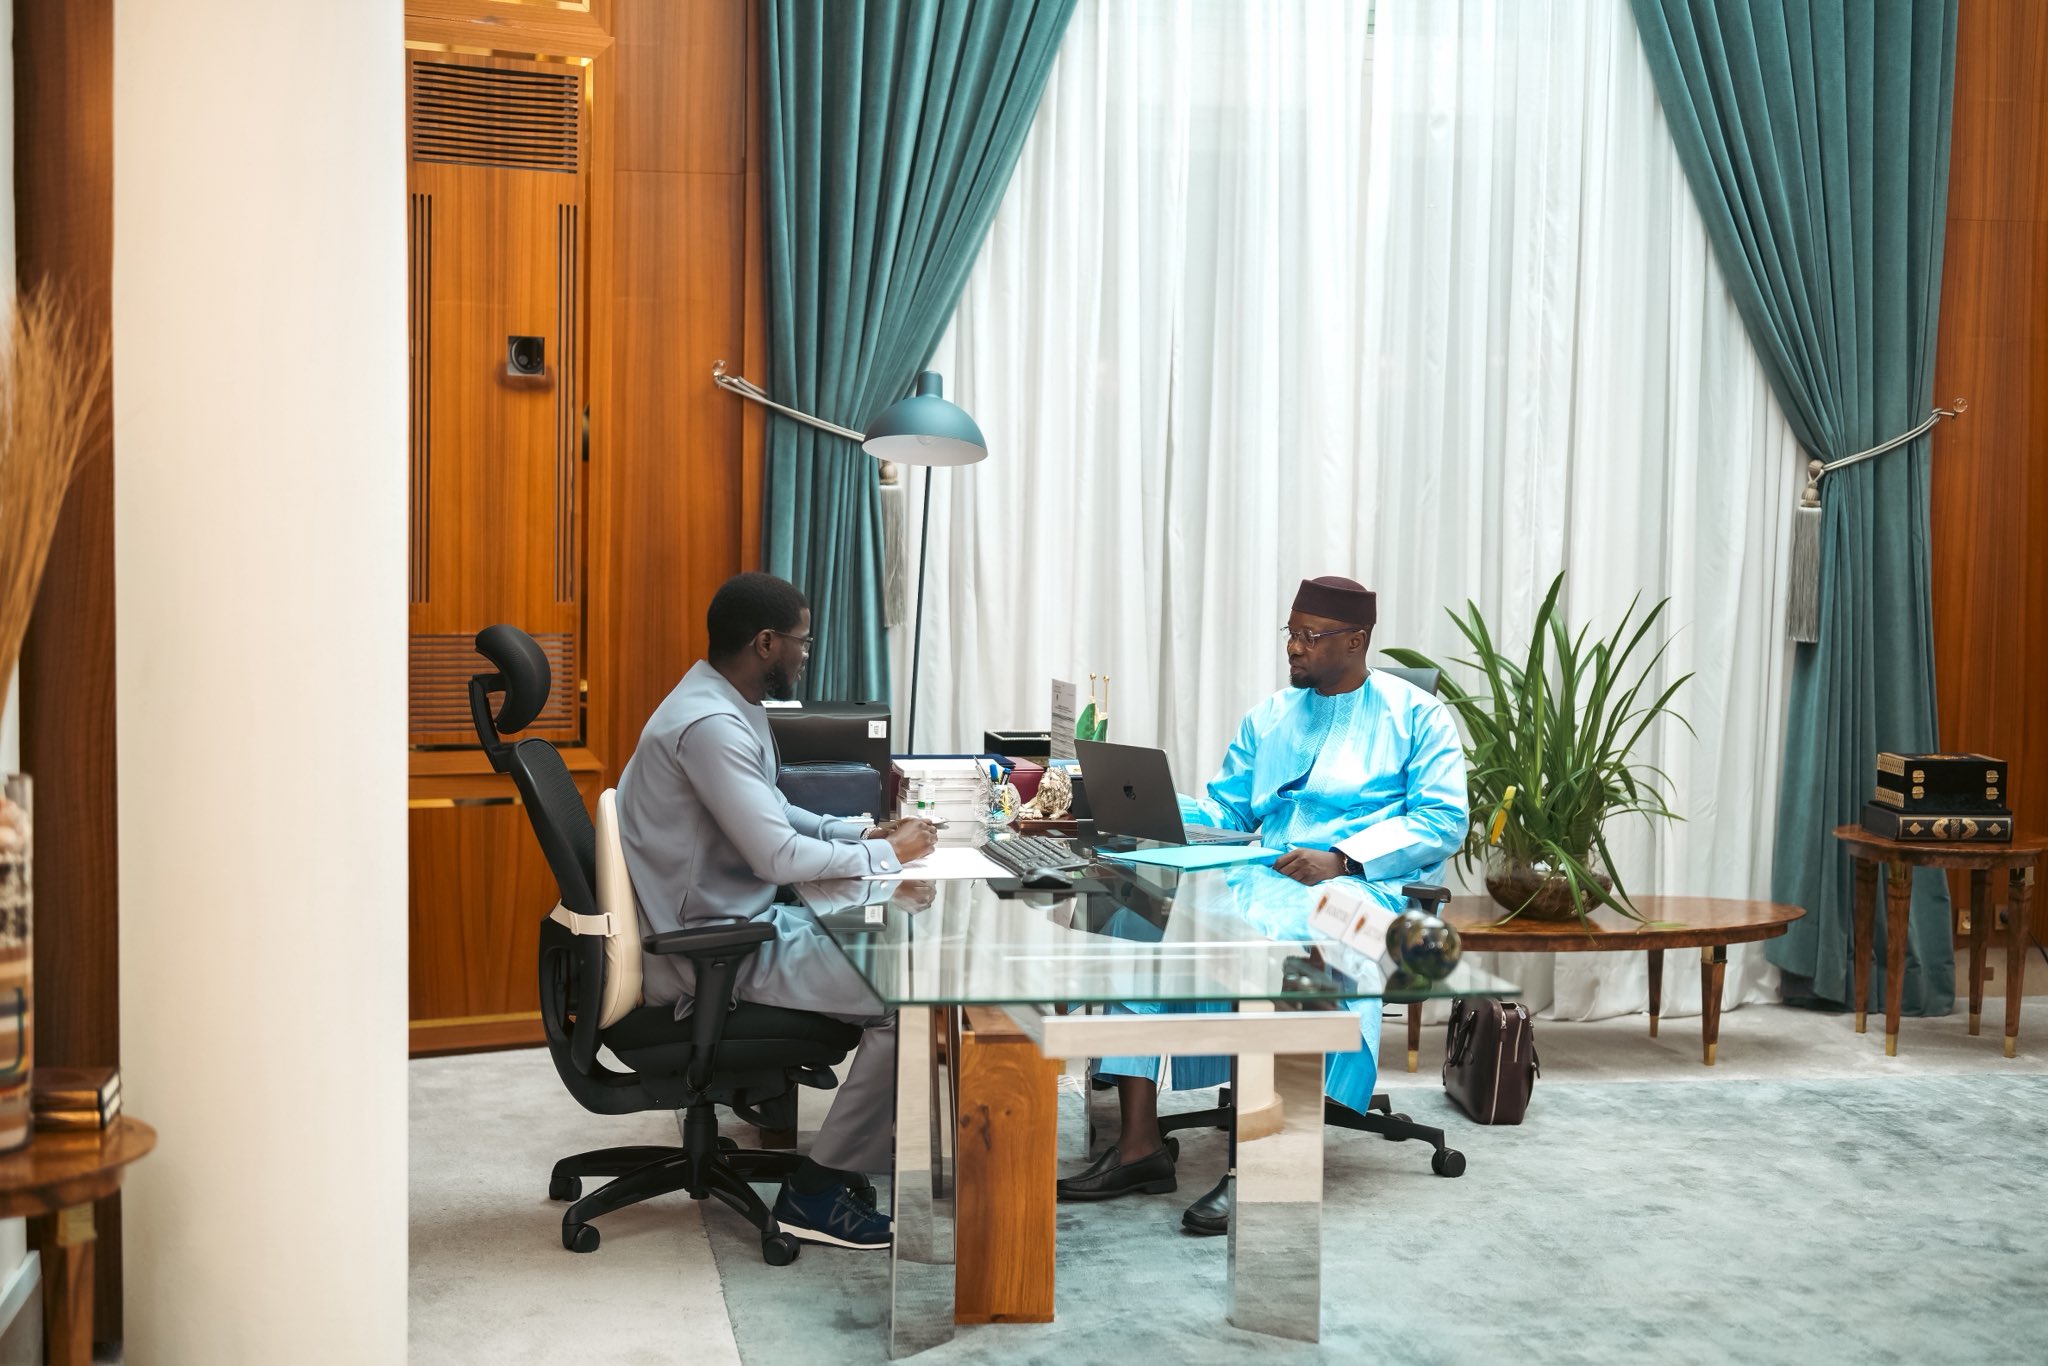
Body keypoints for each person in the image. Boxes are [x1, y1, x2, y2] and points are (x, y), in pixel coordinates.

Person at [1056, 575, 1468, 1234]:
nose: (1294, 648)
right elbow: (1227, 812)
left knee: (1289, 939)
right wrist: (1137, 804)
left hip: (1368, 890)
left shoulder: (1418, 717)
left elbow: (1443, 820)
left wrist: (1344, 857)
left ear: (1356, 640)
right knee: (1133, 903)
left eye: (1310, 636)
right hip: (1264, 874)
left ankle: (1265, 1163)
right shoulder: (1271, 715)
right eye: (1291, 633)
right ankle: (1138, 1145)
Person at [616, 571, 937, 1251]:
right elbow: (776, 856)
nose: (806, 655)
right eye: (802, 641)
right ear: (766, 643)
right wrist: (888, 856)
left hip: (736, 924)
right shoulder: (709, 726)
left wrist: (860, 832)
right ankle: (815, 1192)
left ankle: (846, 1162)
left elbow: (774, 809)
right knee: (910, 1002)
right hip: (713, 950)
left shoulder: (725, 702)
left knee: (894, 958)